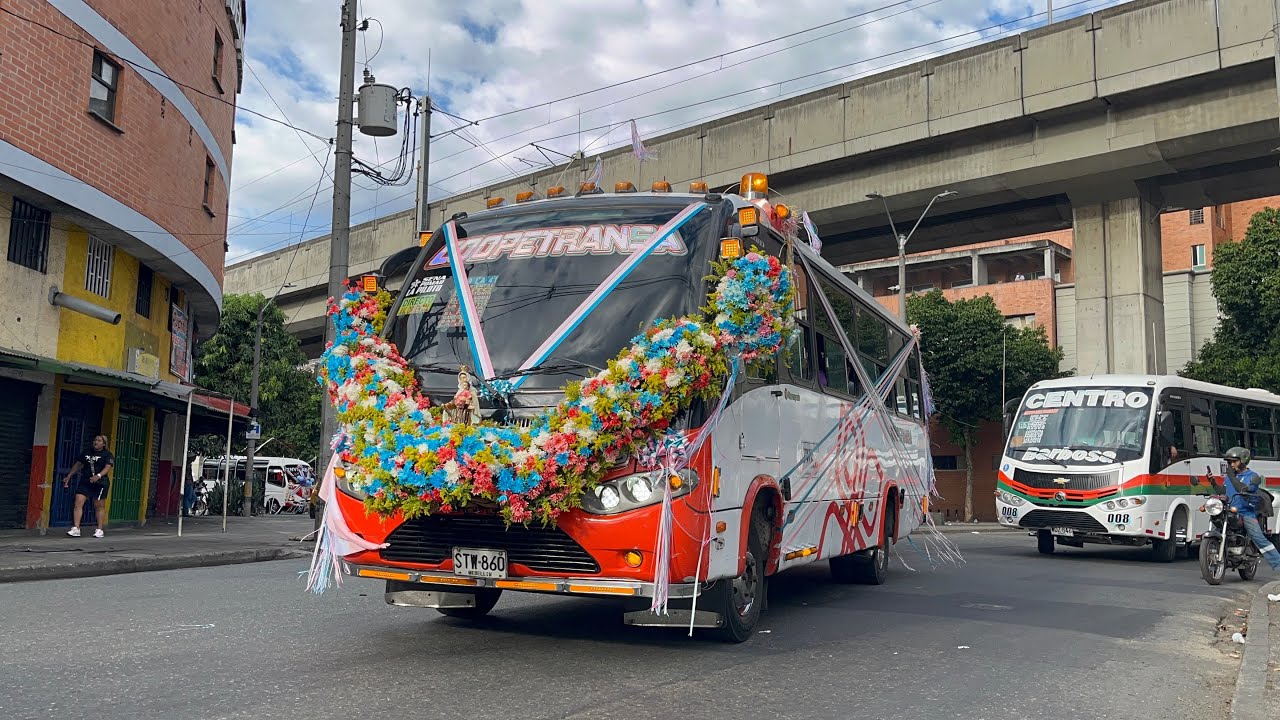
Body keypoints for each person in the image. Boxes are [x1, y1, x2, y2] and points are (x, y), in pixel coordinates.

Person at [1222, 446, 1280, 572]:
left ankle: (1278, 564)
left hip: (1246, 513)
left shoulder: (1253, 477)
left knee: (1259, 539)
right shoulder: (1229, 477)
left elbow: (1242, 489)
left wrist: (1232, 477)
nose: (1231, 465)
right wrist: (1212, 483)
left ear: (1243, 460)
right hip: (1229, 512)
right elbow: (1224, 492)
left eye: (1234, 461)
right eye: (1229, 462)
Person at [61, 434, 114, 538]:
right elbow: (78, 464)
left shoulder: (107, 454)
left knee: (98, 505)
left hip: (100, 483)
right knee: (78, 502)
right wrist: (69, 476)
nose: (96, 442)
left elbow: (107, 467)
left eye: (99, 441)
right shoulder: (87, 452)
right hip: (86, 481)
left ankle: (99, 529)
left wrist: (98, 476)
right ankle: (76, 528)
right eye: (95, 440)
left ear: (103, 444)